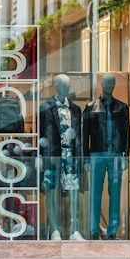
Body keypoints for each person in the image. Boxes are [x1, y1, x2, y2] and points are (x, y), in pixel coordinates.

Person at [83, 73, 130, 240]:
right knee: (95, 193)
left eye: (111, 83)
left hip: (116, 154)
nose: (108, 86)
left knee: (115, 194)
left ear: (114, 85)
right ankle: (94, 230)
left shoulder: (122, 108)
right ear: (102, 84)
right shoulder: (91, 107)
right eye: (106, 83)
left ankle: (112, 231)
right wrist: (85, 157)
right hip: (96, 154)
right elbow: (85, 134)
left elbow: (127, 132)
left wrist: (126, 155)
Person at [38, 74, 83, 241]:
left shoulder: (76, 109)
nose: (66, 88)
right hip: (52, 156)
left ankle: (74, 230)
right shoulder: (45, 108)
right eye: (63, 85)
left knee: (73, 193)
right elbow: (41, 135)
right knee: (50, 192)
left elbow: (80, 136)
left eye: (68, 85)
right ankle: (54, 230)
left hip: (70, 157)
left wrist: (80, 157)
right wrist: (41, 156)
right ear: (56, 86)